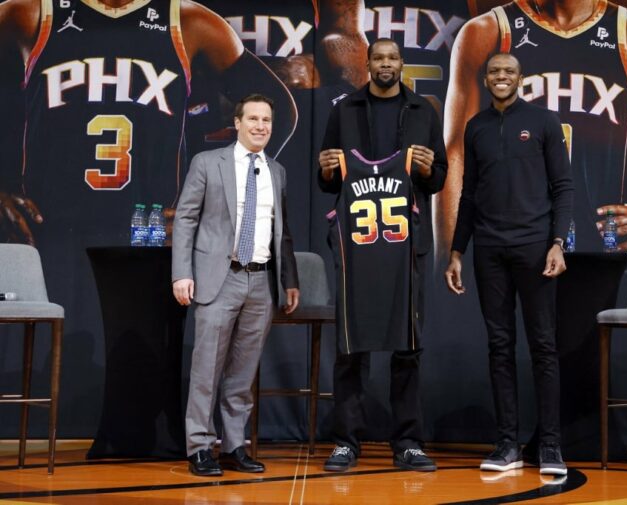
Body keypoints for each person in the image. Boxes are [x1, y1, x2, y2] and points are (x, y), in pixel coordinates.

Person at [436, 0, 627, 260]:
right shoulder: (488, 31)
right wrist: (451, 255)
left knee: (594, 317)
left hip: (596, 246)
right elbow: (458, 151)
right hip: (511, 240)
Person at [0, 0, 296, 245]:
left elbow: (277, 110)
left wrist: (220, 198)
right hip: (49, 234)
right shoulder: (30, 14)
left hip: (148, 235)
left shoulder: (190, 21)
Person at [318, 37, 447, 472]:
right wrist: (326, 169)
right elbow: (326, 179)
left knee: (407, 347)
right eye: (378, 58)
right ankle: (346, 442)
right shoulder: (344, 109)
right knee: (350, 346)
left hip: (406, 245)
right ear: (367, 63)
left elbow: (439, 178)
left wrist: (429, 171)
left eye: (392, 58)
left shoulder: (423, 111)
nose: (386, 64)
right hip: (357, 246)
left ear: (402, 63)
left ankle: (408, 442)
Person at [445, 53, 573, 476]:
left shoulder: (544, 122)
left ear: (521, 79)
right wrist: (458, 250)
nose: (501, 78)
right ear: (487, 78)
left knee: (543, 346)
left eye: (509, 72)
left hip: (536, 248)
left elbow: (563, 188)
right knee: (500, 347)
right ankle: (506, 444)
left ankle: (551, 446)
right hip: (489, 250)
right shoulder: (476, 127)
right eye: (495, 72)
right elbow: (468, 195)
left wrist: (557, 243)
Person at [172, 94, 299, 477]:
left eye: (267, 120)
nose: (261, 126)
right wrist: (182, 272)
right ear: (238, 123)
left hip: (260, 280)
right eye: (254, 119)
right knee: (207, 368)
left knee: (243, 373)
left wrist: (289, 280)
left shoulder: (276, 171)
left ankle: (233, 445)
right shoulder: (208, 163)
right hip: (219, 276)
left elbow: (283, 233)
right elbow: (186, 219)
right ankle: (198, 446)